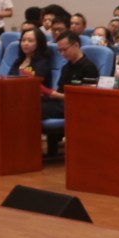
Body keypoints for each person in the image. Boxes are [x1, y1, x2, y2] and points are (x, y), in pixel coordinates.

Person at [42, 30, 100, 158]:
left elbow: (85, 99)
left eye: (65, 50)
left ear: (76, 45)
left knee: (35, 108)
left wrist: (54, 95)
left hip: (75, 106)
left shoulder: (88, 67)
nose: (62, 54)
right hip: (61, 102)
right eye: (60, 51)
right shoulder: (66, 67)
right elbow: (60, 90)